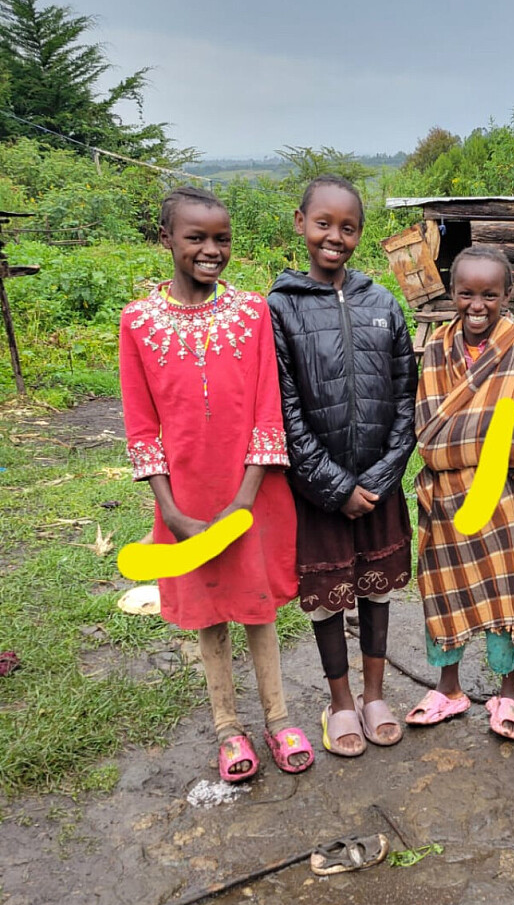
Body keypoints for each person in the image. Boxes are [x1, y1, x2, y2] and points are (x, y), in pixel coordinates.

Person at [119, 186, 313, 783]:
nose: (211, 249)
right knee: (207, 609)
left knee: (256, 604)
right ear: (166, 239)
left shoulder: (252, 312)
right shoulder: (138, 323)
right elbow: (142, 427)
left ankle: (279, 718)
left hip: (250, 492)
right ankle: (228, 726)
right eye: (195, 237)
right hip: (185, 499)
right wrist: (172, 513)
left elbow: (267, 411)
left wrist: (244, 502)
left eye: (221, 238)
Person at [268, 175, 416, 758]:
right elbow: (283, 410)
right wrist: (334, 487)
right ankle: (341, 703)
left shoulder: (384, 304)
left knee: (377, 592)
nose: (335, 237)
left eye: (348, 227)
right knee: (330, 596)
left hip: (380, 487)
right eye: (323, 224)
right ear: (300, 223)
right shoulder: (279, 308)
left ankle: (375, 695)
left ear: (360, 233)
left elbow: (406, 398)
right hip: (319, 491)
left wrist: (378, 480)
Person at [408, 245, 514, 741]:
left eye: (489, 295)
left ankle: (508, 694)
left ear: (507, 295)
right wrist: (484, 441)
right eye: (466, 294)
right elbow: (427, 431)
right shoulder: (436, 350)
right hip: (449, 498)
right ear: (452, 293)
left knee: (505, 595)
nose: (477, 306)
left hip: (505, 502)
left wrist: (511, 452)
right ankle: (448, 689)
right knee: (445, 593)